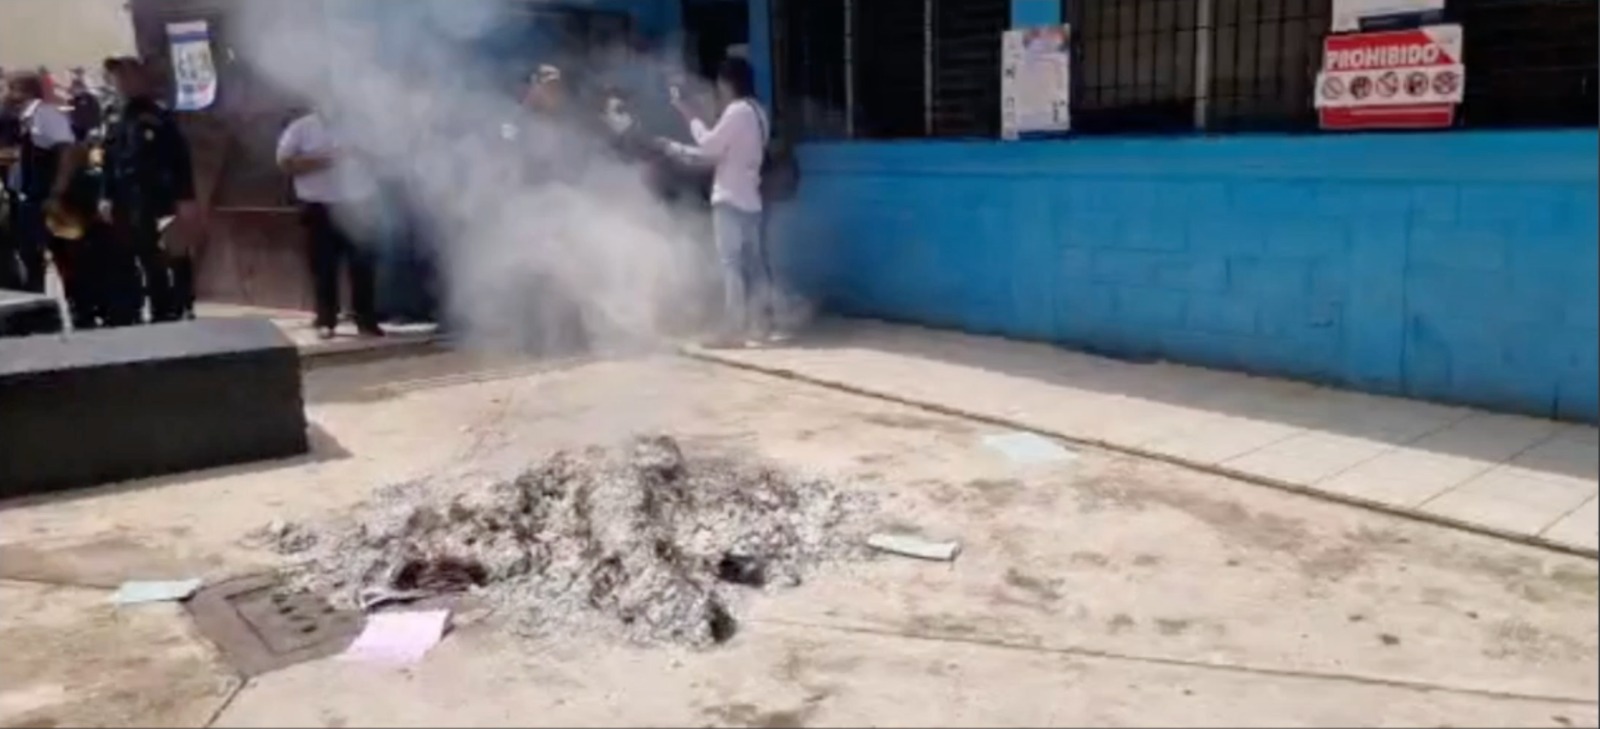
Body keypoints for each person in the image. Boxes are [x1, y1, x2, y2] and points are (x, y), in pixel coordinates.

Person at [659, 57, 778, 347]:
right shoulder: (758, 113)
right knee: (755, 264)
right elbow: (723, 151)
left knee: (731, 265)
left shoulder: (737, 111)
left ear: (727, 82)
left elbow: (709, 146)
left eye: (720, 83)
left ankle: (733, 330)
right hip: (751, 199)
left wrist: (688, 117)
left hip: (729, 198)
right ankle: (762, 324)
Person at [101, 57, 200, 323]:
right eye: (118, 77)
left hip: (158, 195)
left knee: (169, 251)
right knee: (138, 253)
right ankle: (143, 308)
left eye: (128, 76)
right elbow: (109, 160)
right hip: (126, 196)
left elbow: (179, 158)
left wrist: (185, 198)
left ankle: (178, 303)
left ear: (141, 79)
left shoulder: (158, 115)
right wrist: (106, 195)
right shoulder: (114, 115)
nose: (122, 82)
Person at [276, 103, 384, 340]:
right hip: (319, 206)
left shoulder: (363, 125)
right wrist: (327, 159)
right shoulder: (301, 128)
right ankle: (326, 320)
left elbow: (382, 157)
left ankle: (366, 320)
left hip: (359, 204)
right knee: (323, 266)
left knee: (363, 266)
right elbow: (285, 163)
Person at [3, 71, 81, 297]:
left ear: (24, 90)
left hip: (46, 197)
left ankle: (77, 304)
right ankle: (37, 306)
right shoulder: (18, 119)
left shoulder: (44, 114)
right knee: (30, 255)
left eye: (10, 88)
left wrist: (57, 191)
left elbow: (67, 150)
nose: (6, 94)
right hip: (25, 197)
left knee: (61, 254)